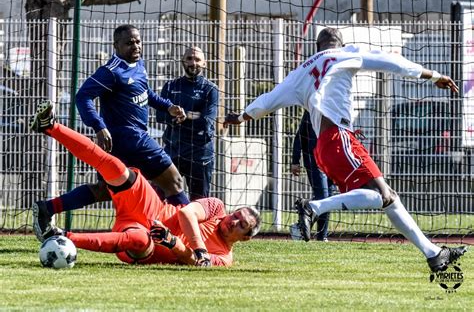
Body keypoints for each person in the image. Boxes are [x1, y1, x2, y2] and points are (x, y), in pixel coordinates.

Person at [224, 27, 467, 272]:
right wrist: (434, 75)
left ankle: (434, 254)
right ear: (340, 43)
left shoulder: (301, 71)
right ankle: (314, 207)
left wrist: (243, 116)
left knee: (389, 198)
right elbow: (392, 62)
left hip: (325, 147)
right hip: (339, 138)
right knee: (383, 196)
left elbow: (269, 99)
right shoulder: (347, 53)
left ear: (317, 46)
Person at [30, 100, 261, 267]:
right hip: (153, 208)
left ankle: (61, 236)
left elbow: (195, 262)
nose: (234, 221)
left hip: (147, 245)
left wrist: (173, 243)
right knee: (117, 169)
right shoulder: (217, 208)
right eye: (237, 216)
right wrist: (199, 248)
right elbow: (186, 215)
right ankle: (50, 126)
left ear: (246, 238)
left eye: (241, 225)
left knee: (140, 239)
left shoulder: (225, 258)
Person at [32, 24, 190, 242]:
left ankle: (47, 208)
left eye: (137, 41)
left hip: (127, 143)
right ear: (116, 46)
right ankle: (188, 237)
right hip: (131, 138)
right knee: (174, 183)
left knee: (104, 191)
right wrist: (98, 126)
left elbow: (146, 93)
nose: (135, 46)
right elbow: (82, 96)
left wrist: (167, 106)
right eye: (128, 43)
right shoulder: (111, 71)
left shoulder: (138, 64)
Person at [157, 47, 219, 200]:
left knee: (199, 202)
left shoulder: (210, 89)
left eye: (197, 59)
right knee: (161, 197)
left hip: (200, 154)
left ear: (204, 63)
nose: (193, 62)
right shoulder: (171, 86)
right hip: (174, 149)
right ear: (183, 61)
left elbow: (206, 122)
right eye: (189, 58)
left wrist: (182, 115)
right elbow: (160, 116)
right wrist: (193, 115)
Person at [289, 110, 332, 242]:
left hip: (331, 160)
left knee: (328, 199)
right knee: (323, 197)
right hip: (314, 160)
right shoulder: (313, 110)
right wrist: (295, 161)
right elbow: (300, 136)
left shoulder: (337, 109)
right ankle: (304, 224)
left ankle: (320, 236)